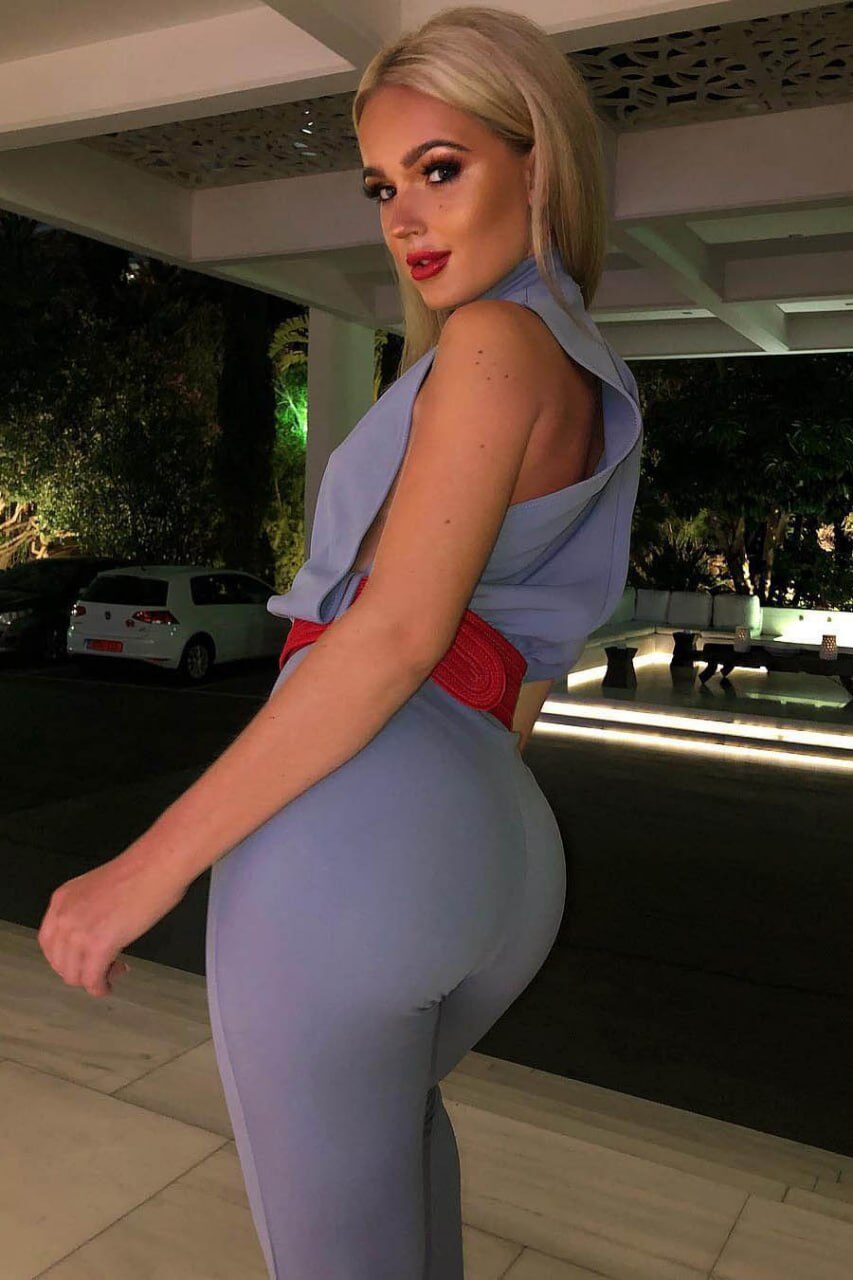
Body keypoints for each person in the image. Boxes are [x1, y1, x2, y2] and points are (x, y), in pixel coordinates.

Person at [37, 6, 643, 1277]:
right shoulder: (586, 368)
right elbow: (518, 676)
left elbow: (390, 636)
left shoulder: (491, 343)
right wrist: (448, 833)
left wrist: (145, 867)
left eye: (440, 168)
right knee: (398, 1200)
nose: (404, 218)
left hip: (362, 832)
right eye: (381, 186)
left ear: (537, 161)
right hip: (499, 849)